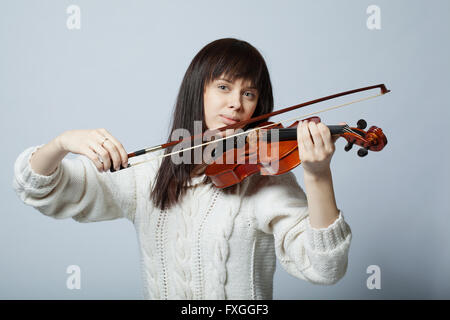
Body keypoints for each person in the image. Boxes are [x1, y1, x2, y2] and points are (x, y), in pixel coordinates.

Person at [12, 38, 352, 300]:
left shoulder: (263, 177)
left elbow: (326, 269)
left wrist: (318, 174)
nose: (237, 103)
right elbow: (38, 189)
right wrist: (60, 143)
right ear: (197, 90)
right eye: (224, 87)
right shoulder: (148, 175)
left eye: (248, 92)